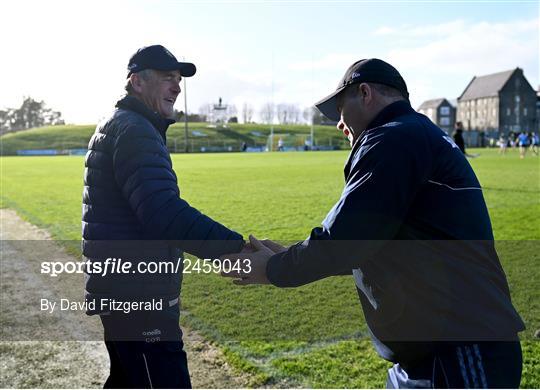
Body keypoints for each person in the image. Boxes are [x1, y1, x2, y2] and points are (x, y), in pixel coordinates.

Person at [222, 59, 525, 388]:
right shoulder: (413, 133)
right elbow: (368, 239)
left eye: (340, 108)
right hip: (436, 354)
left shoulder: (391, 138)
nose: (339, 124)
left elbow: (347, 239)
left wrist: (274, 268)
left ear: (364, 93)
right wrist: (290, 254)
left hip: (458, 353)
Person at [82, 45, 245, 388]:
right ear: (137, 82)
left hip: (127, 292)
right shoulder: (135, 129)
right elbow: (162, 212)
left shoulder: (124, 124)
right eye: (167, 77)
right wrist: (235, 249)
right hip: (138, 298)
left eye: (179, 79)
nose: (177, 86)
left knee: (130, 378)